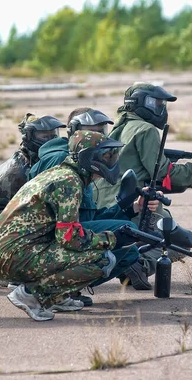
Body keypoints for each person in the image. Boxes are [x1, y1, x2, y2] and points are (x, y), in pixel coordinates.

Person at [0, 131, 140, 321]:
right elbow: (69, 237)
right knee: (102, 260)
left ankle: (56, 297)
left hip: (2, 252)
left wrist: (130, 209)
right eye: (105, 155)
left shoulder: (62, 174)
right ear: (88, 157)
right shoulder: (69, 182)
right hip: (11, 256)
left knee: (88, 251)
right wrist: (112, 239)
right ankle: (32, 295)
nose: (111, 160)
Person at [93, 83, 192, 279]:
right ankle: (140, 264)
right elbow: (163, 171)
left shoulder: (120, 126)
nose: (160, 108)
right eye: (155, 102)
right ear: (138, 103)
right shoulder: (146, 130)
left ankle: (128, 258)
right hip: (133, 207)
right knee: (182, 241)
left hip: (107, 206)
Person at [28, 107, 159, 291]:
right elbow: (60, 229)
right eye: (91, 132)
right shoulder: (60, 160)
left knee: (129, 251)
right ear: (75, 132)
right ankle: (54, 288)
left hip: (62, 236)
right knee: (123, 237)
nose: (98, 137)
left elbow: (87, 218)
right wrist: (108, 239)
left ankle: (69, 286)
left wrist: (133, 208)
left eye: (101, 131)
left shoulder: (81, 163)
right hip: (42, 244)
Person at [0, 113, 65, 256]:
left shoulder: (30, 160)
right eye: (44, 136)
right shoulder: (20, 170)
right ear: (29, 137)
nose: (51, 140)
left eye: (53, 135)